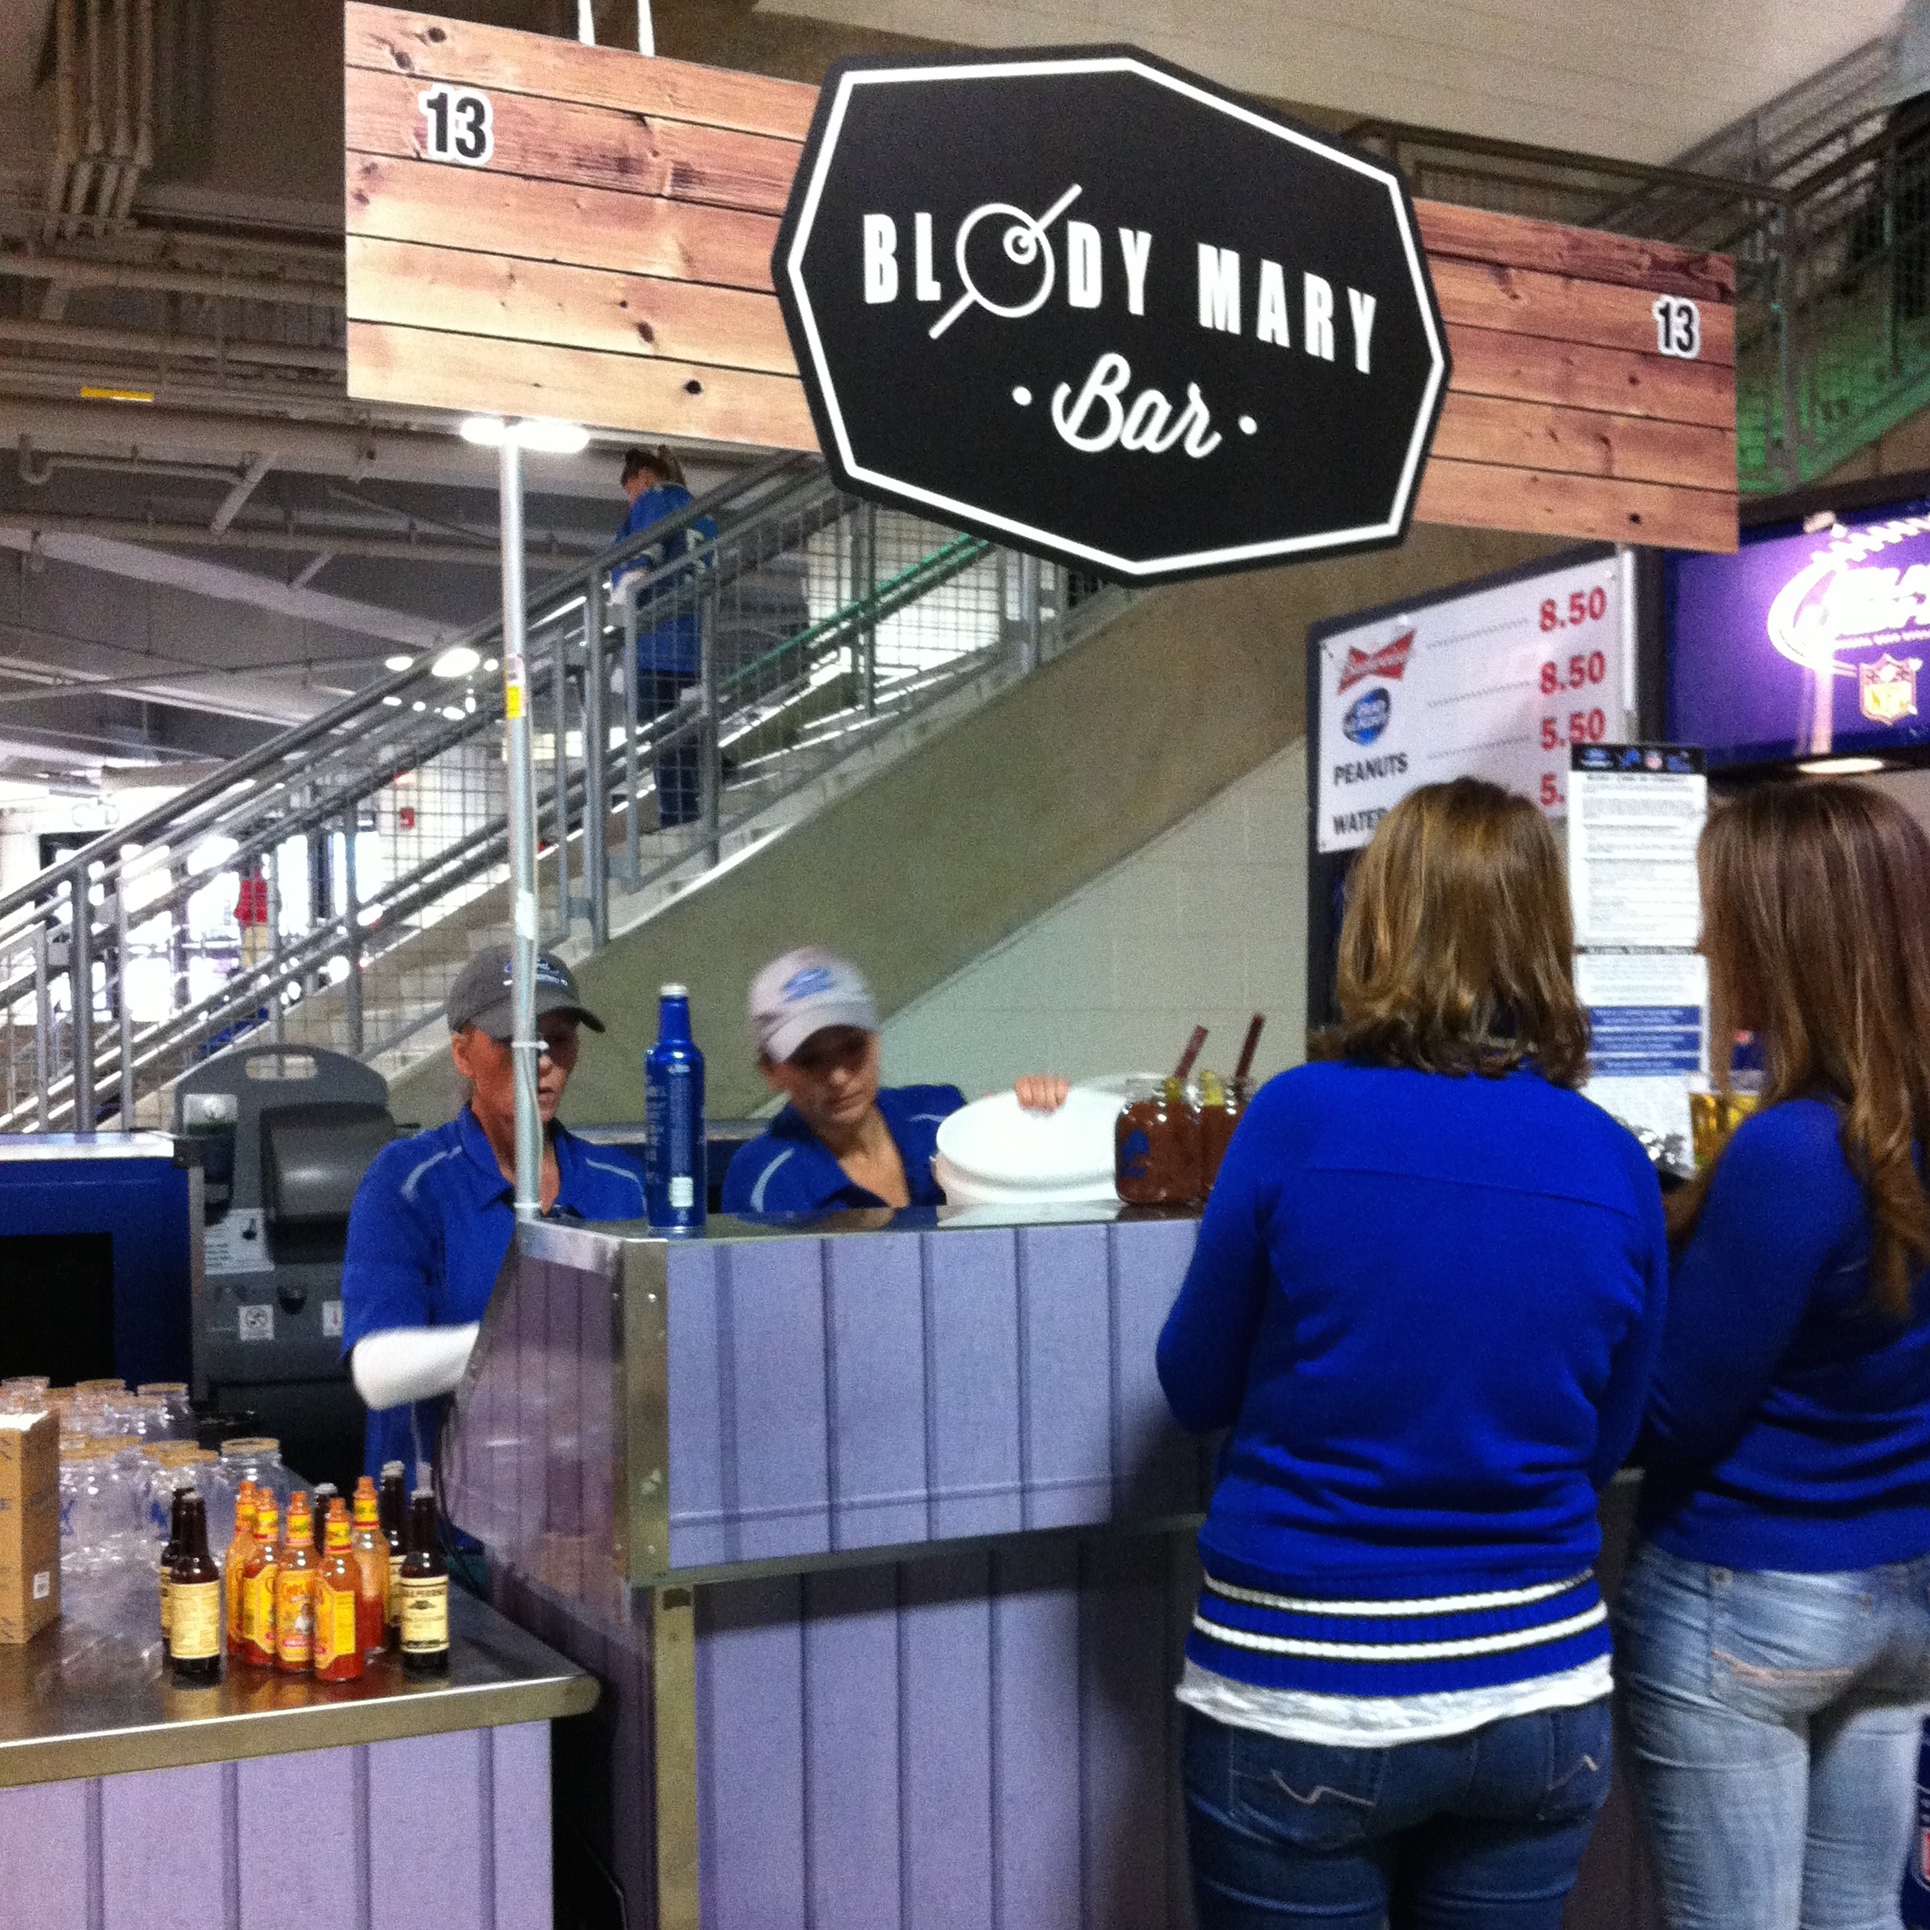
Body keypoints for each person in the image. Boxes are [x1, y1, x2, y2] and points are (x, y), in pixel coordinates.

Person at [1157, 778, 1668, 1930]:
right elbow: (1607, 1440)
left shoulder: (1295, 1119)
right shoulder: (1611, 1160)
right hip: (1537, 1690)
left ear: (1376, 920)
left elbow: (1192, 1387)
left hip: (1304, 1688)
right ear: (1547, 932)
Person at [1617, 781, 1930, 1930]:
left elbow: (1673, 1416)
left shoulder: (1794, 1152)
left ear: (1782, 939)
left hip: (1750, 1597)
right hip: (1906, 1592)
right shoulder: (1877, 1135)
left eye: (1724, 917)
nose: (1707, 945)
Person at [339, 945, 646, 1484]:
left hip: (587, 1527)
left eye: (560, 1039)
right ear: (462, 1055)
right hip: (443, 1539)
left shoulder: (619, 1185)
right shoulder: (412, 1182)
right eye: (519, 1041)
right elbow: (377, 1370)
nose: (544, 1059)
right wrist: (529, 1343)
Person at [721, 946, 1067, 1215]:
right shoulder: (765, 1181)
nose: (839, 1076)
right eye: (810, 1060)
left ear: (876, 1038)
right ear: (771, 1070)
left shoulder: (940, 1118)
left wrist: (1037, 1123)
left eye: (853, 1048)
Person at [612, 445, 717, 830]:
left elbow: (645, 554)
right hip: (693, 644)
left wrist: (621, 601)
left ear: (644, 477)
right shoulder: (701, 514)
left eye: (630, 491)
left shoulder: (655, 499)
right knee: (684, 733)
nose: (631, 500)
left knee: (662, 738)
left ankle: (676, 816)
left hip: (655, 642)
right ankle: (692, 806)